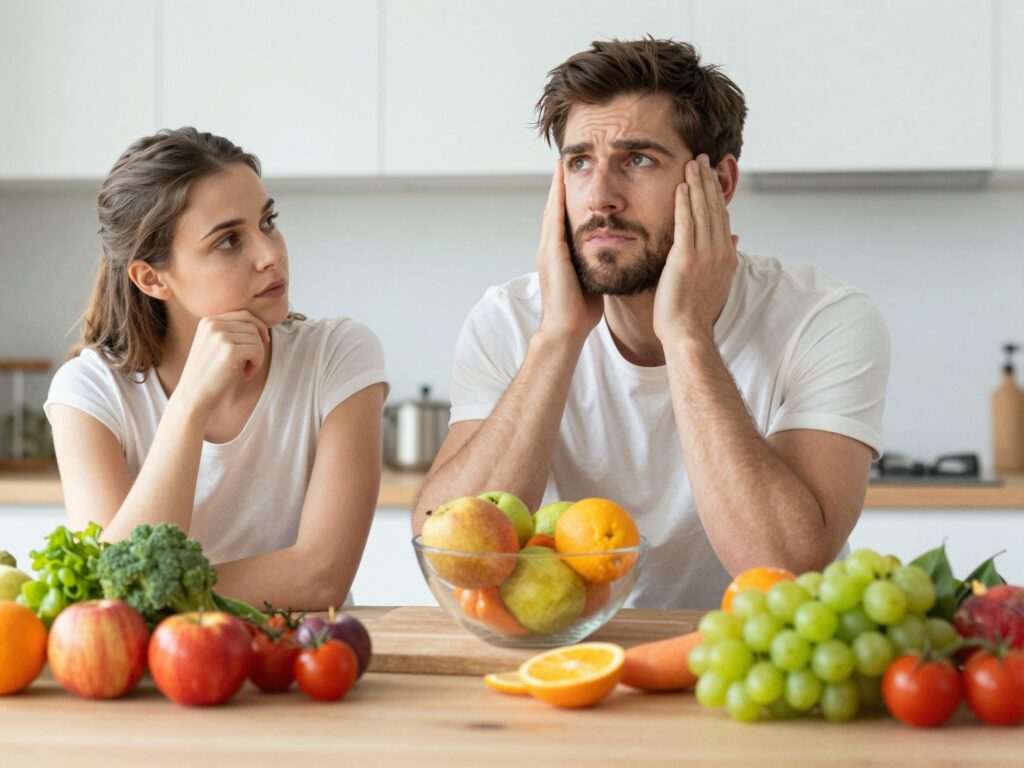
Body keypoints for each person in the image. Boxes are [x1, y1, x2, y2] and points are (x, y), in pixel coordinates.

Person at [412, 39, 890, 609]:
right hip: (570, 657)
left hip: (756, 659)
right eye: (579, 162)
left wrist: (688, 336)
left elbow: (784, 565)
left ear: (721, 183)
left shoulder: (824, 319)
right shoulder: (510, 320)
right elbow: (450, 559)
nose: (600, 198)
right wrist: (557, 338)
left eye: (638, 160)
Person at [45, 128, 388, 610]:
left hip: (303, 666)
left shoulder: (337, 356)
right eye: (228, 241)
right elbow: (110, 590)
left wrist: (160, 593)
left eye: (268, 222)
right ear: (152, 278)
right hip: (157, 679)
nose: (270, 255)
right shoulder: (90, 391)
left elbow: (320, 578)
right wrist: (188, 405)